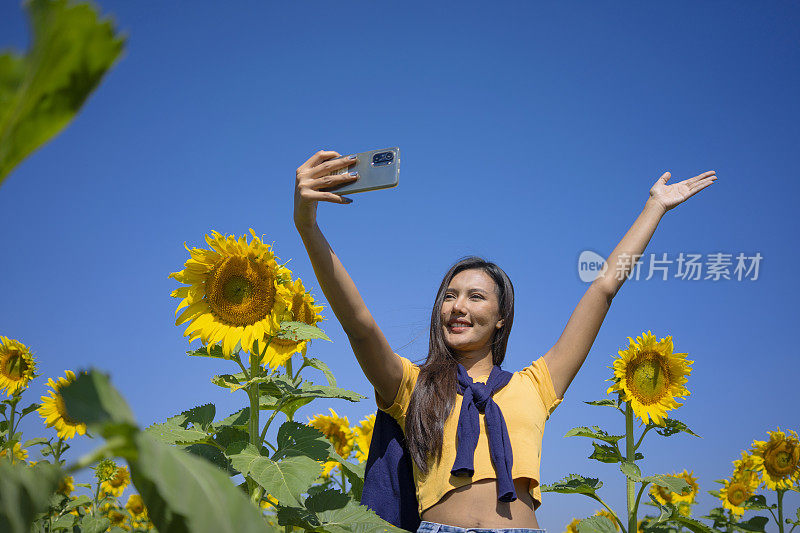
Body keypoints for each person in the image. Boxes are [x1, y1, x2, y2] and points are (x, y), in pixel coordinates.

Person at [293, 149, 717, 533]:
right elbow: (360, 325)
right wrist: (307, 227)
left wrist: (654, 209)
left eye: (476, 297)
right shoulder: (411, 386)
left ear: (501, 319)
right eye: (450, 296)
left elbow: (603, 289)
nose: (458, 306)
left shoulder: (535, 385)